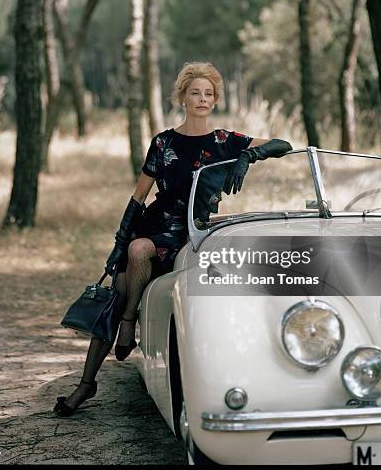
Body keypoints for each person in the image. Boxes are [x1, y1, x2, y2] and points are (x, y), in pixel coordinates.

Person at [53, 61, 292, 416]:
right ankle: (89, 381)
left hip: (192, 233)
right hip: (153, 226)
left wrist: (248, 155)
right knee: (121, 280)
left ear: (215, 100)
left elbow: (284, 144)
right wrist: (119, 242)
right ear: (183, 97)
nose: (202, 99)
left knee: (135, 260)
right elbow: (138, 196)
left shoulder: (224, 141)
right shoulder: (163, 142)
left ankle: (123, 332)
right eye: (195, 92)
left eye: (208, 94)